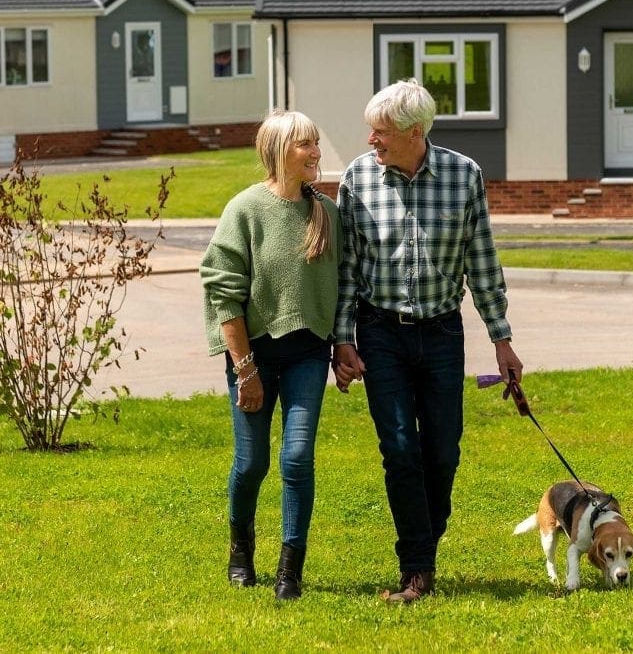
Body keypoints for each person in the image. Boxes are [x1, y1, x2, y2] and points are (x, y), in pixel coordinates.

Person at [332, 78, 523, 604]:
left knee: (442, 452)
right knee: (399, 449)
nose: (372, 140)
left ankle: (425, 545)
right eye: (371, 131)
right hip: (379, 331)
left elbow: (481, 262)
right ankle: (416, 565)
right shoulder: (357, 179)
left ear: (414, 132)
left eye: (382, 132)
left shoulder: (465, 177)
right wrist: (342, 339)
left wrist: (502, 340)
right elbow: (347, 267)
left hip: (442, 331)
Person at [200, 110, 341, 601]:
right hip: (252, 358)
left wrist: (342, 346)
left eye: (316, 142)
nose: (316, 152)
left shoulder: (327, 213)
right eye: (306, 143)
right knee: (251, 463)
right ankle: (240, 550)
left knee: (298, 458)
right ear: (279, 150)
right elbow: (222, 293)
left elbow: (342, 291)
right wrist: (245, 371)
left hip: (307, 356)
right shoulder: (244, 210)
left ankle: (290, 570)